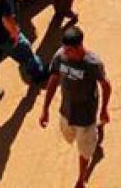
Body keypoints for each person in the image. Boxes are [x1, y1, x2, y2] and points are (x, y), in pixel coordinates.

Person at [40, 26, 112, 188]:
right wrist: (45, 109)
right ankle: (97, 134)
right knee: (71, 137)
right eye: (64, 48)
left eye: (69, 50)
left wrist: (104, 108)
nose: (65, 52)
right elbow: (53, 80)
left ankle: (81, 179)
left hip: (86, 116)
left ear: (79, 47)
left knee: (84, 151)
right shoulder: (60, 56)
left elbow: (106, 85)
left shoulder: (93, 64)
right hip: (66, 112)